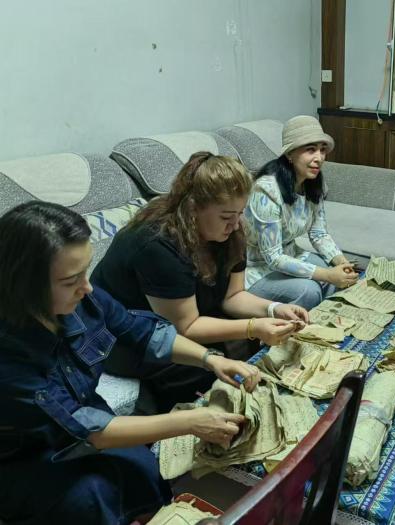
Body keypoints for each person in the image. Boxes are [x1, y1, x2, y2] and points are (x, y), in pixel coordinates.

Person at [0, 201, 261, 524]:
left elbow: (140, 330)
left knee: (144, 468)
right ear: (25, 285)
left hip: (85, 419)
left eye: (85, 271)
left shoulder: (84, 300)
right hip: (27, 455)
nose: (87, 287)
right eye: (70, 280)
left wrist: (210, 360)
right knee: (90, 497)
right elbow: (89, 429)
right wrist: (190, 421)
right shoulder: (10, 358)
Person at [91, 152, 306, 413]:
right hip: (122, 336)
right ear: (193, 208)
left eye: (239, 213)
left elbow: (232, 296)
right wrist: (253, 327)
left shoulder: (231, 231)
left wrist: (273, 309)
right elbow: (185, 327)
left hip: (180, 318)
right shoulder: (158, 244)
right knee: (205, 369)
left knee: (249, 346)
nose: (235, 224)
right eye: (226, 217)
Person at [244, 115, 358, 310]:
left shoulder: (314, 182)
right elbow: (273, 258)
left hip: (291, 254)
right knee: (310, 290)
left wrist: (341, 261)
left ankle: (323, 320)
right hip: (257, 269)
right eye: (310, 150)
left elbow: (319, 233)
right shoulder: (266, 191)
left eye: (322, 150)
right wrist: (328, 275)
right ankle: (292, 326)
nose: (319, 158)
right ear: (290, 154)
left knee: (333, 272)